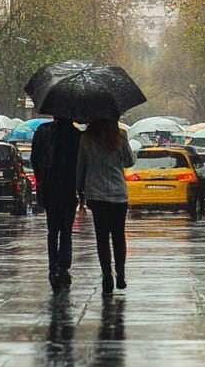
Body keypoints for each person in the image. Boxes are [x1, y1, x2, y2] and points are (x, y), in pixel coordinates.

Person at [76, 118, 134, 296]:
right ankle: (121, 272)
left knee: (102, 237)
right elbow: (129, 161)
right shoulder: (120, 136)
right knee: (118, 235)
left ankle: (107, 275)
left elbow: (81, 167)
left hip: (96, 193)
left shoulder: (86, 138)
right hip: (118, 193)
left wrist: (80, 190)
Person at [32, 117, 82, 292]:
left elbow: (34, 159)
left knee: (52, 231)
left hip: (49, 189)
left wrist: (41, 180)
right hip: (68, 189)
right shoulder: (76, 135)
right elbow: (80, 164)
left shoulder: (42, 131)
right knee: (66, 231)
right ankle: (63, 268)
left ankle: (53, 268)